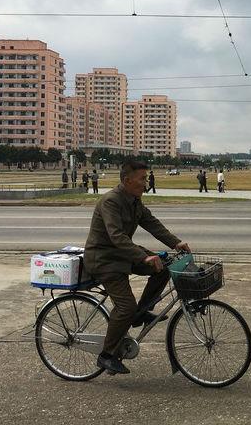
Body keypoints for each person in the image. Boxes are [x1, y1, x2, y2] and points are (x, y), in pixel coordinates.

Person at [84, 160, 191, 375]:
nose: (146, 183)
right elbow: (116, 237)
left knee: (165, 267)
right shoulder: (111, 202)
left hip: (123, 254)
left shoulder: (135, 201)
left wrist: (175, 243)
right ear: (127, 180)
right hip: (104, 259)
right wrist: (143, 257)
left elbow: (152, 223)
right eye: (142, 179)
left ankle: (140, 314)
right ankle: (106, 355)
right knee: (125, 307)